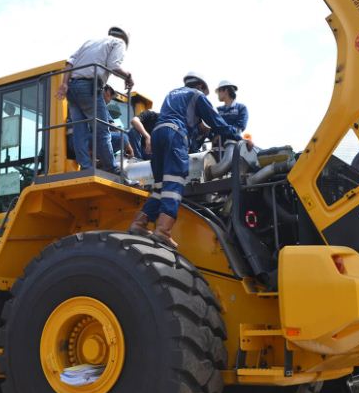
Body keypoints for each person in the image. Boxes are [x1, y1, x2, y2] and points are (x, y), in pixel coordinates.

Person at [127, 72, 249, 246]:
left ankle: (139, 223)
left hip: (158, 134)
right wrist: (239, 139)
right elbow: (217, 123)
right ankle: (163, 230)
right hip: (175, 135)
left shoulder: (173, 94)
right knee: (174, 183)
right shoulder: (197, 95)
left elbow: (186, 118)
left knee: (160, 186)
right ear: (200, 86)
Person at [56, 26, 134, 173]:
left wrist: (64, 84)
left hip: (72, 87)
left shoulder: (90, 42)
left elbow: (70, 63)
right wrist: (128, 77)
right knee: (103, 129)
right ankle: (111, 167)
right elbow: (114, 65)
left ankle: (86, 166)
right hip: (89, 87)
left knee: (80, 129)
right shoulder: (119, 43)